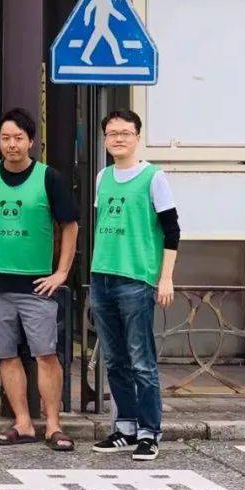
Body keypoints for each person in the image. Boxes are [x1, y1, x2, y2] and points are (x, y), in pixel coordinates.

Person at [0, 107, 79, 452]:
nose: (12, 144)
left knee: (46, 355)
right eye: (6, 138)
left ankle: (54, 424)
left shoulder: (48, 177)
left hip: (37, 285)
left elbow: (70, 224)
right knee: (6, 356)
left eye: (18, 138)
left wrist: (62, 272)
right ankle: (23, 423)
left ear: (31, 141)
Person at [90, 109, 181, 462]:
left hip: (137, 278)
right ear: (105, 138)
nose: (118, 138)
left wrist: (165, 277)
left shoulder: (154, 177)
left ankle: (149, 432)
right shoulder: (102, 177)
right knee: (114, 360)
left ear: (137, 136)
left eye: (125, 132)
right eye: (112, 133)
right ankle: (125, 427)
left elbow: (172, 231)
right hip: (103, 276)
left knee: (142, 360)